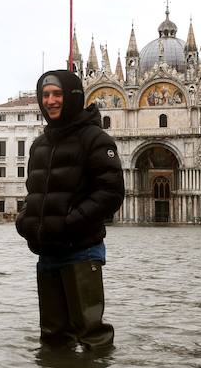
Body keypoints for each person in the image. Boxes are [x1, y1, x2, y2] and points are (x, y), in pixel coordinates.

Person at [15, 69, 123, 349]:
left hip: (81, 250)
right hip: (47, 251)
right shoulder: (40, 144)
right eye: (45, 95)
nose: (50, 100)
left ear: (73, 97)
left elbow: (111, 194)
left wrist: (70, 223)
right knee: (52, 338)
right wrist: (25, 221)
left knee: (91, 336)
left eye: (57, 94)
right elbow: (33, 192)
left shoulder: (95, 139)